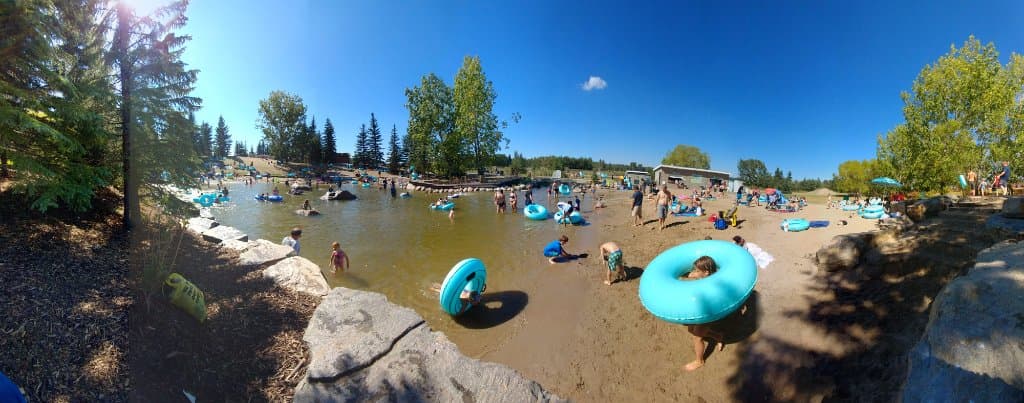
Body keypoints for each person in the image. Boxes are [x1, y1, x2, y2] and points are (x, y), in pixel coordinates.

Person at [684, 256, 726, 371]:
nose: (695, 272)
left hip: (708, 313)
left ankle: (699, 361)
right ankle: (718, 336)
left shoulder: (712, 283)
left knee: (697, 337)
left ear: (706, 272)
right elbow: (691, 275)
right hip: (701, 310)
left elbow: (712, 300)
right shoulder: (703, 275)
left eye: (698, 270)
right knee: (691, 329)